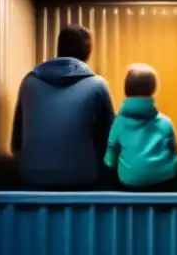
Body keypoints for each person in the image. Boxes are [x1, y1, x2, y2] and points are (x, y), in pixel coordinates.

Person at [11, 24, 116, 190]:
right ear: (88, 52)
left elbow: (16, 143)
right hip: (84, 178)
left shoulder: (29, 82)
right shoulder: (98, 86)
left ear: (59, 48)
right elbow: (111, 142)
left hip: (32, 177)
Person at [104, 64, 177, 192]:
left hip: (128, 184)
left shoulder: (118, 123)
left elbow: (110, 160)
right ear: (152, 89)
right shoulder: (165, 123)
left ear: (126, 89)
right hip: (163, 183)